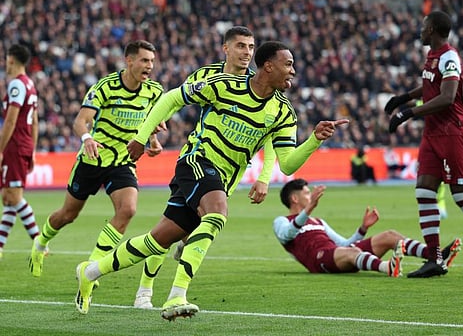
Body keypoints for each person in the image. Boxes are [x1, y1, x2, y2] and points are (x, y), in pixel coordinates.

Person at [74, 40, 350, 319]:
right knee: (217, 214)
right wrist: (141, 137)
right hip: (197, 161)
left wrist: (314, 139)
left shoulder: (283, 113)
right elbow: (171, 98)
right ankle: (176, 296)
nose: (292, 71)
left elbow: (288, 164)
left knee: (158, 240)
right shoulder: (223, 85)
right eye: (288, 64)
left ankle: (90, 271)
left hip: (223, 179)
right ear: (268, 66)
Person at [133, 26, 278, 309]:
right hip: (197, 161)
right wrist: (150, 132)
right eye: (240, 46)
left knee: (179, 230)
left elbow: (272, 132)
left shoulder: (258, 83)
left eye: (250, 47)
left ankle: (176, 258)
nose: (247, 52)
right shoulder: (206, 76)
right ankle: (146, 292)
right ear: (226, 48)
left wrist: (264, 176)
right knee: (176, 229)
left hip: (228, 173)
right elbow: (173, 100)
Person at [28, 40, 165, 277]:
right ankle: (40, 242)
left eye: (152, 61)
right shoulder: (105, 87)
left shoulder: (154, 91)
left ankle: (90, 270)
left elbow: (151, 119)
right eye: (144, 60)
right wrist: (87, 139)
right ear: (129, 60)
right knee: (68, 215)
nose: (149, 66)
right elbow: (80, 121)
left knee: (128, 210)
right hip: (92, 159)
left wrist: (152, 141)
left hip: (122, 161)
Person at [385, 10, 463, 278]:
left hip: (453, 132)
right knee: (424, 190)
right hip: (433, 133)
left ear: (434, 30)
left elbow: (448, 97)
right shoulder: (433, 56)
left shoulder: (450, 57)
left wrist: (408, 113)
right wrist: (403, 98)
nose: (421, 30)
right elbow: (429, 88)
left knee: (461, 193)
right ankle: (435, 259)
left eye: (424, 26)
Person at [273, 178, 461, 277]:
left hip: (337, 253)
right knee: (350, 254)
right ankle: (387, 267)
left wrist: (362, 229)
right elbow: (287, 234)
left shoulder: (318, 221)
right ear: (294, 198)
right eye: (307, 193)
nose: (311, 195)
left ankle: (433, 255)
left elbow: (345, 243)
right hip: (319, 261)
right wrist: (308, 209)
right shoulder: (281, 221)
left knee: (389, 235)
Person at [0, 44, 40, 260]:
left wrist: (0, 150)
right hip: (23, 145)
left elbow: (11, 120)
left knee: (13, 197)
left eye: (6, 59)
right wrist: (32, 150)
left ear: (12, 60)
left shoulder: (17, 84)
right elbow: (35, 122)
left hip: (14, 145)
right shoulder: (30, 84)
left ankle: (40, 242)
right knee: (7, 198)